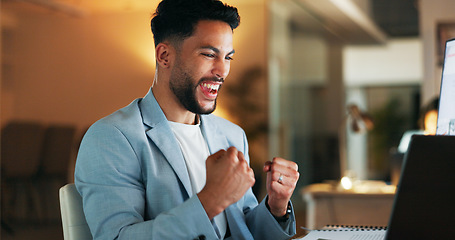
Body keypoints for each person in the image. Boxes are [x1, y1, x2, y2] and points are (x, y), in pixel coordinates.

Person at [74, 0, 299, 239]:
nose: (222, 71)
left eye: (228, 57)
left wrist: (276, 207)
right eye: (209, 54)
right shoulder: (111, 137)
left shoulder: (232, 135)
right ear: (164, 56)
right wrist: (210, 201)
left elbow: (242, 229)